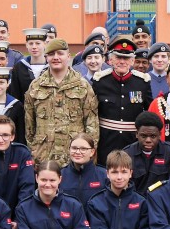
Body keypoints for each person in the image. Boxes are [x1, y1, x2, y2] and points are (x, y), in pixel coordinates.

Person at [25, 38, 99, 166]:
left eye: (60, 53)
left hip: (74, 157)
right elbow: (29, 125)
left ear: (68, 56)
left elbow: (92, 124)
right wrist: (34, 150)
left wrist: (88, 153)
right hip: (43, 157)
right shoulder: (36, 86)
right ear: (46, 57)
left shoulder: (82, 86)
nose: (56, 57)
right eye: (52, 54)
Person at [92, 34, 152, 164]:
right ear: (110, 60)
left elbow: (149, 112)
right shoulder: (100, 81)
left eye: (126, 58)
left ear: (132, 61)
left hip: (132, 141)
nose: (122, 62)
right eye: (118, 57)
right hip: (106, 140)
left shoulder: (142, 82)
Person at [123, 111, 170, 196]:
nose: (148, 140)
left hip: (161, 200)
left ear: (159, 135)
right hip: (135, 201)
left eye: (153, 136)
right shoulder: (127, 154)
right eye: (143, 136)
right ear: (137, 134)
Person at [60, 133, 108, 207]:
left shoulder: (104, 175)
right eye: (74, 148)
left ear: (92, 152)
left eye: (83, 149)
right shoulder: (60, 175)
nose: (78, 152)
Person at [9, 27, 49, 100]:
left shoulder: (52, 67)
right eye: (31, 43)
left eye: (38, 43)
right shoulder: (19, 67)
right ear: (26, 45)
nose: (34, 47)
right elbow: (15, 95)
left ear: (45, 44)